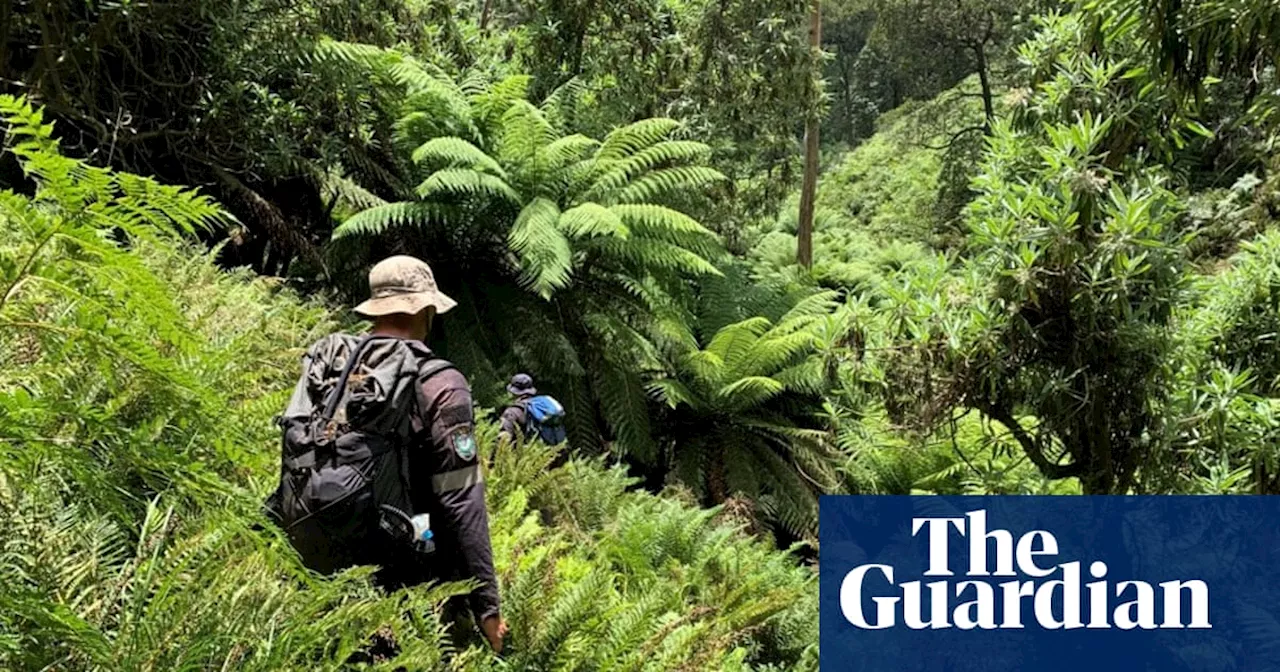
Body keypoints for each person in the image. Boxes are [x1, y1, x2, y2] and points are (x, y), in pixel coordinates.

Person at [270, 255, 507, 653]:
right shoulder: (441, 382)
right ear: (427, 309)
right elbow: (462, 498)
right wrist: (488, 607)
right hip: (408, 577)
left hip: (319, 567)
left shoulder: (331, 366)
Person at [497, 373, 537, 444]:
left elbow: (503, 438)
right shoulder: (540, 408)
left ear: (513, 392)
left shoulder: (511, 412)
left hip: (521, 453)